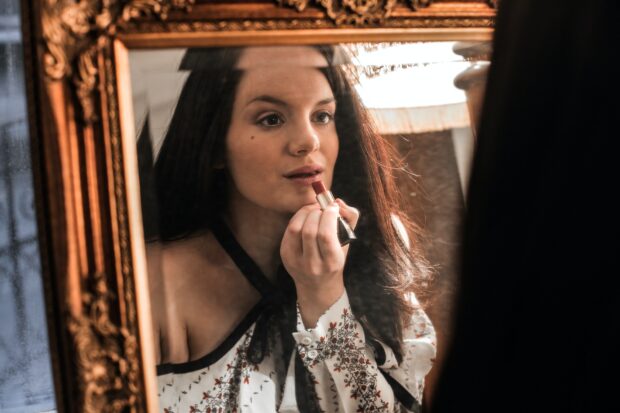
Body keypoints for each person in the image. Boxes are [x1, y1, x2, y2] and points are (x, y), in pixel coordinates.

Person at [145, 45, 436, 413]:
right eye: (271, 119)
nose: (308, 141)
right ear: (214, 144)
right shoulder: (158, 279)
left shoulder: (378, 241)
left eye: (322, 116)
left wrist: (324, 295)